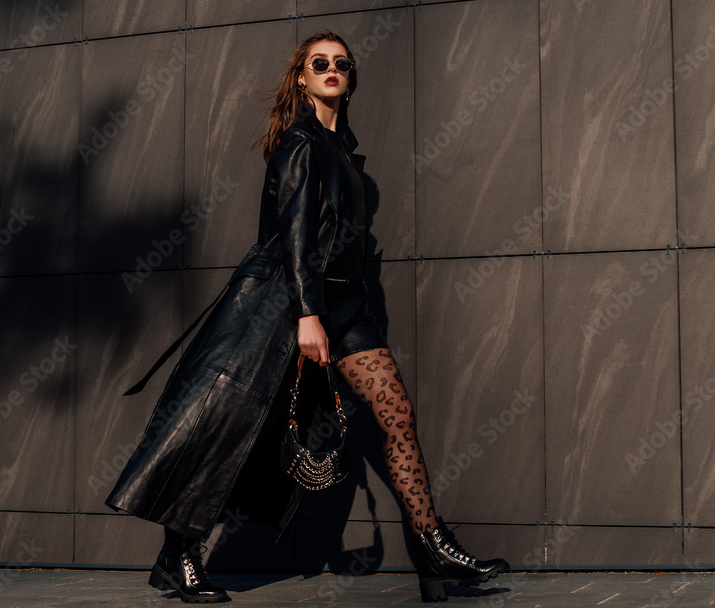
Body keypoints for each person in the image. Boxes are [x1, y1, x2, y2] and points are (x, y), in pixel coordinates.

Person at [105, 30, 508, 604]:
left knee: (396, 412)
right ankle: (178, 553)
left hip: (346, 308)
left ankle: (432, 547)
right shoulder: (300, 145)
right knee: (234, 429)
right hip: (290, 307)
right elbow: (294, 238)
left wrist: (345, 309)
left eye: (341, 63)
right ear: (302, 77)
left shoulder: (343, 149)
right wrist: (308, 315)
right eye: (319, 63)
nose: (331, 69)